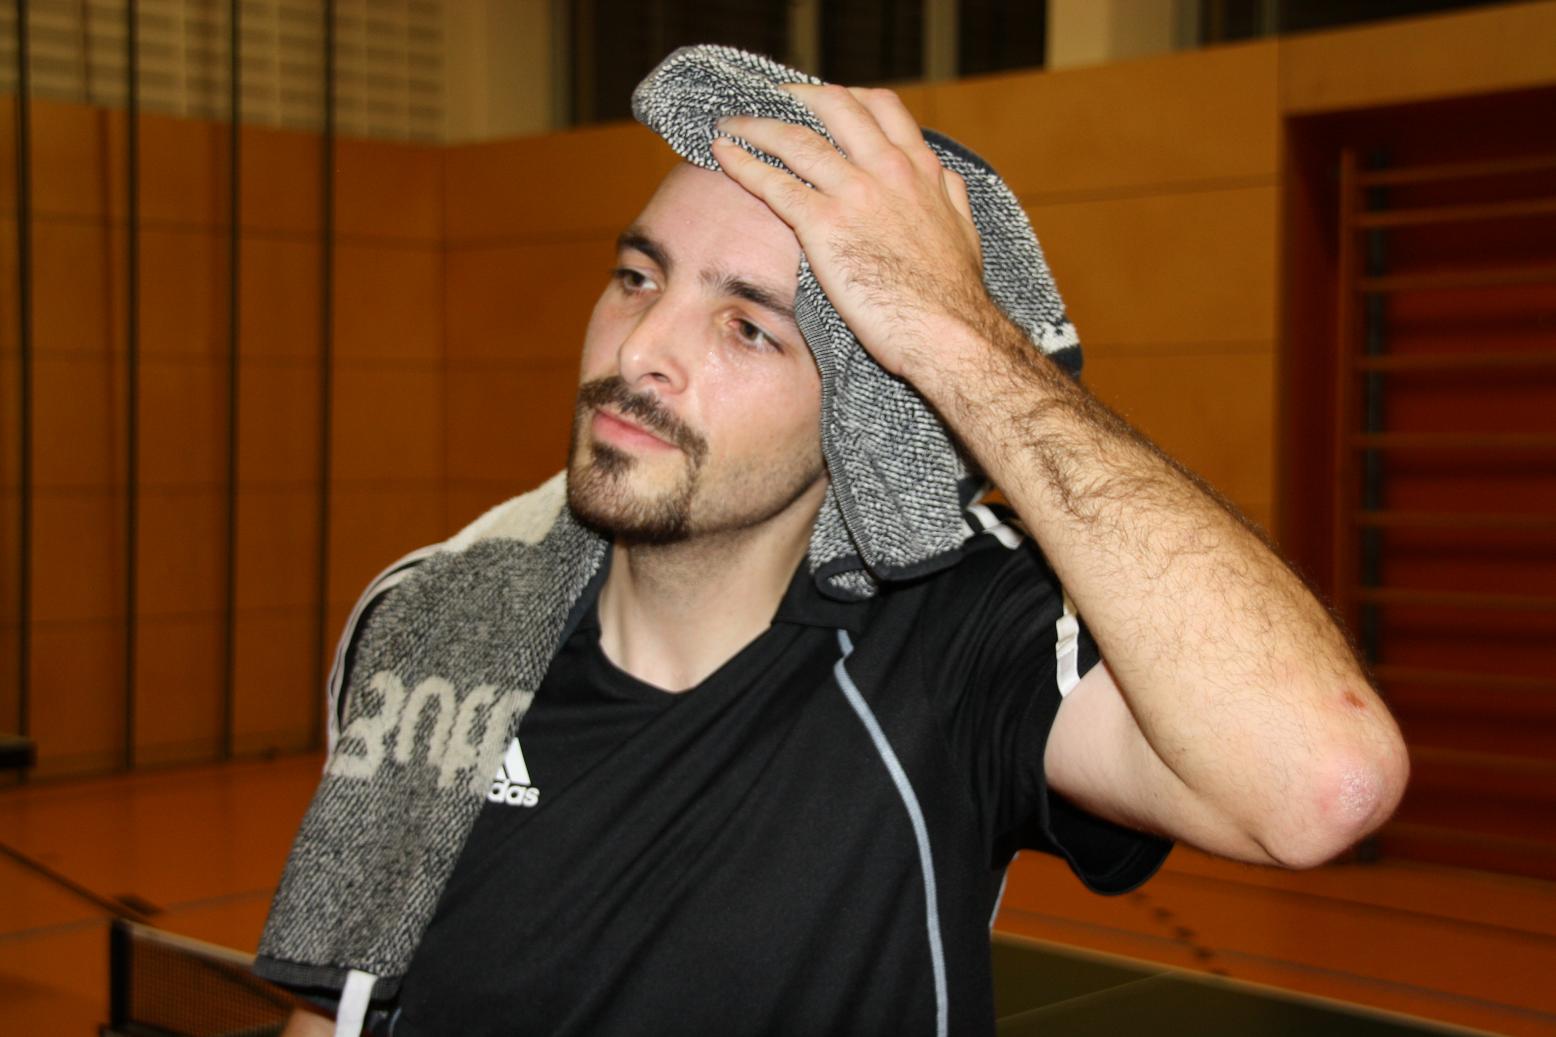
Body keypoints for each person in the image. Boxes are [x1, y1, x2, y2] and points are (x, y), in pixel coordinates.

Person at [276, 80, 1408, 1036]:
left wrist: (956, 334)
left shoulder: (954, 641)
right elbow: (337, 1013)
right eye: (637, 276)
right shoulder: (439, 613)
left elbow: (1321, 783)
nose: (643, 349)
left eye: (748, 327)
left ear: (862, 415)